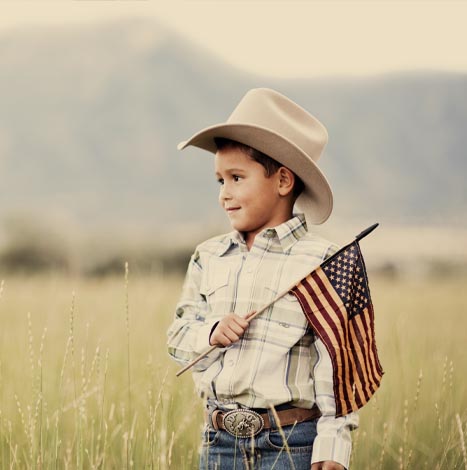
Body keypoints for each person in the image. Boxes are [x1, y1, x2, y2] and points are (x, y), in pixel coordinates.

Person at [167, 88, 358, 470]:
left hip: (292, 444)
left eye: (237, 178)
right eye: (219, 181)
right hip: (219, 441)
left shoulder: (323, 262)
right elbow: (178, 336)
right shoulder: (209, 257)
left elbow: (337, 364)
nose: (225, 194)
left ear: (283, 181)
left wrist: (333, 446)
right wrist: (210, 333)